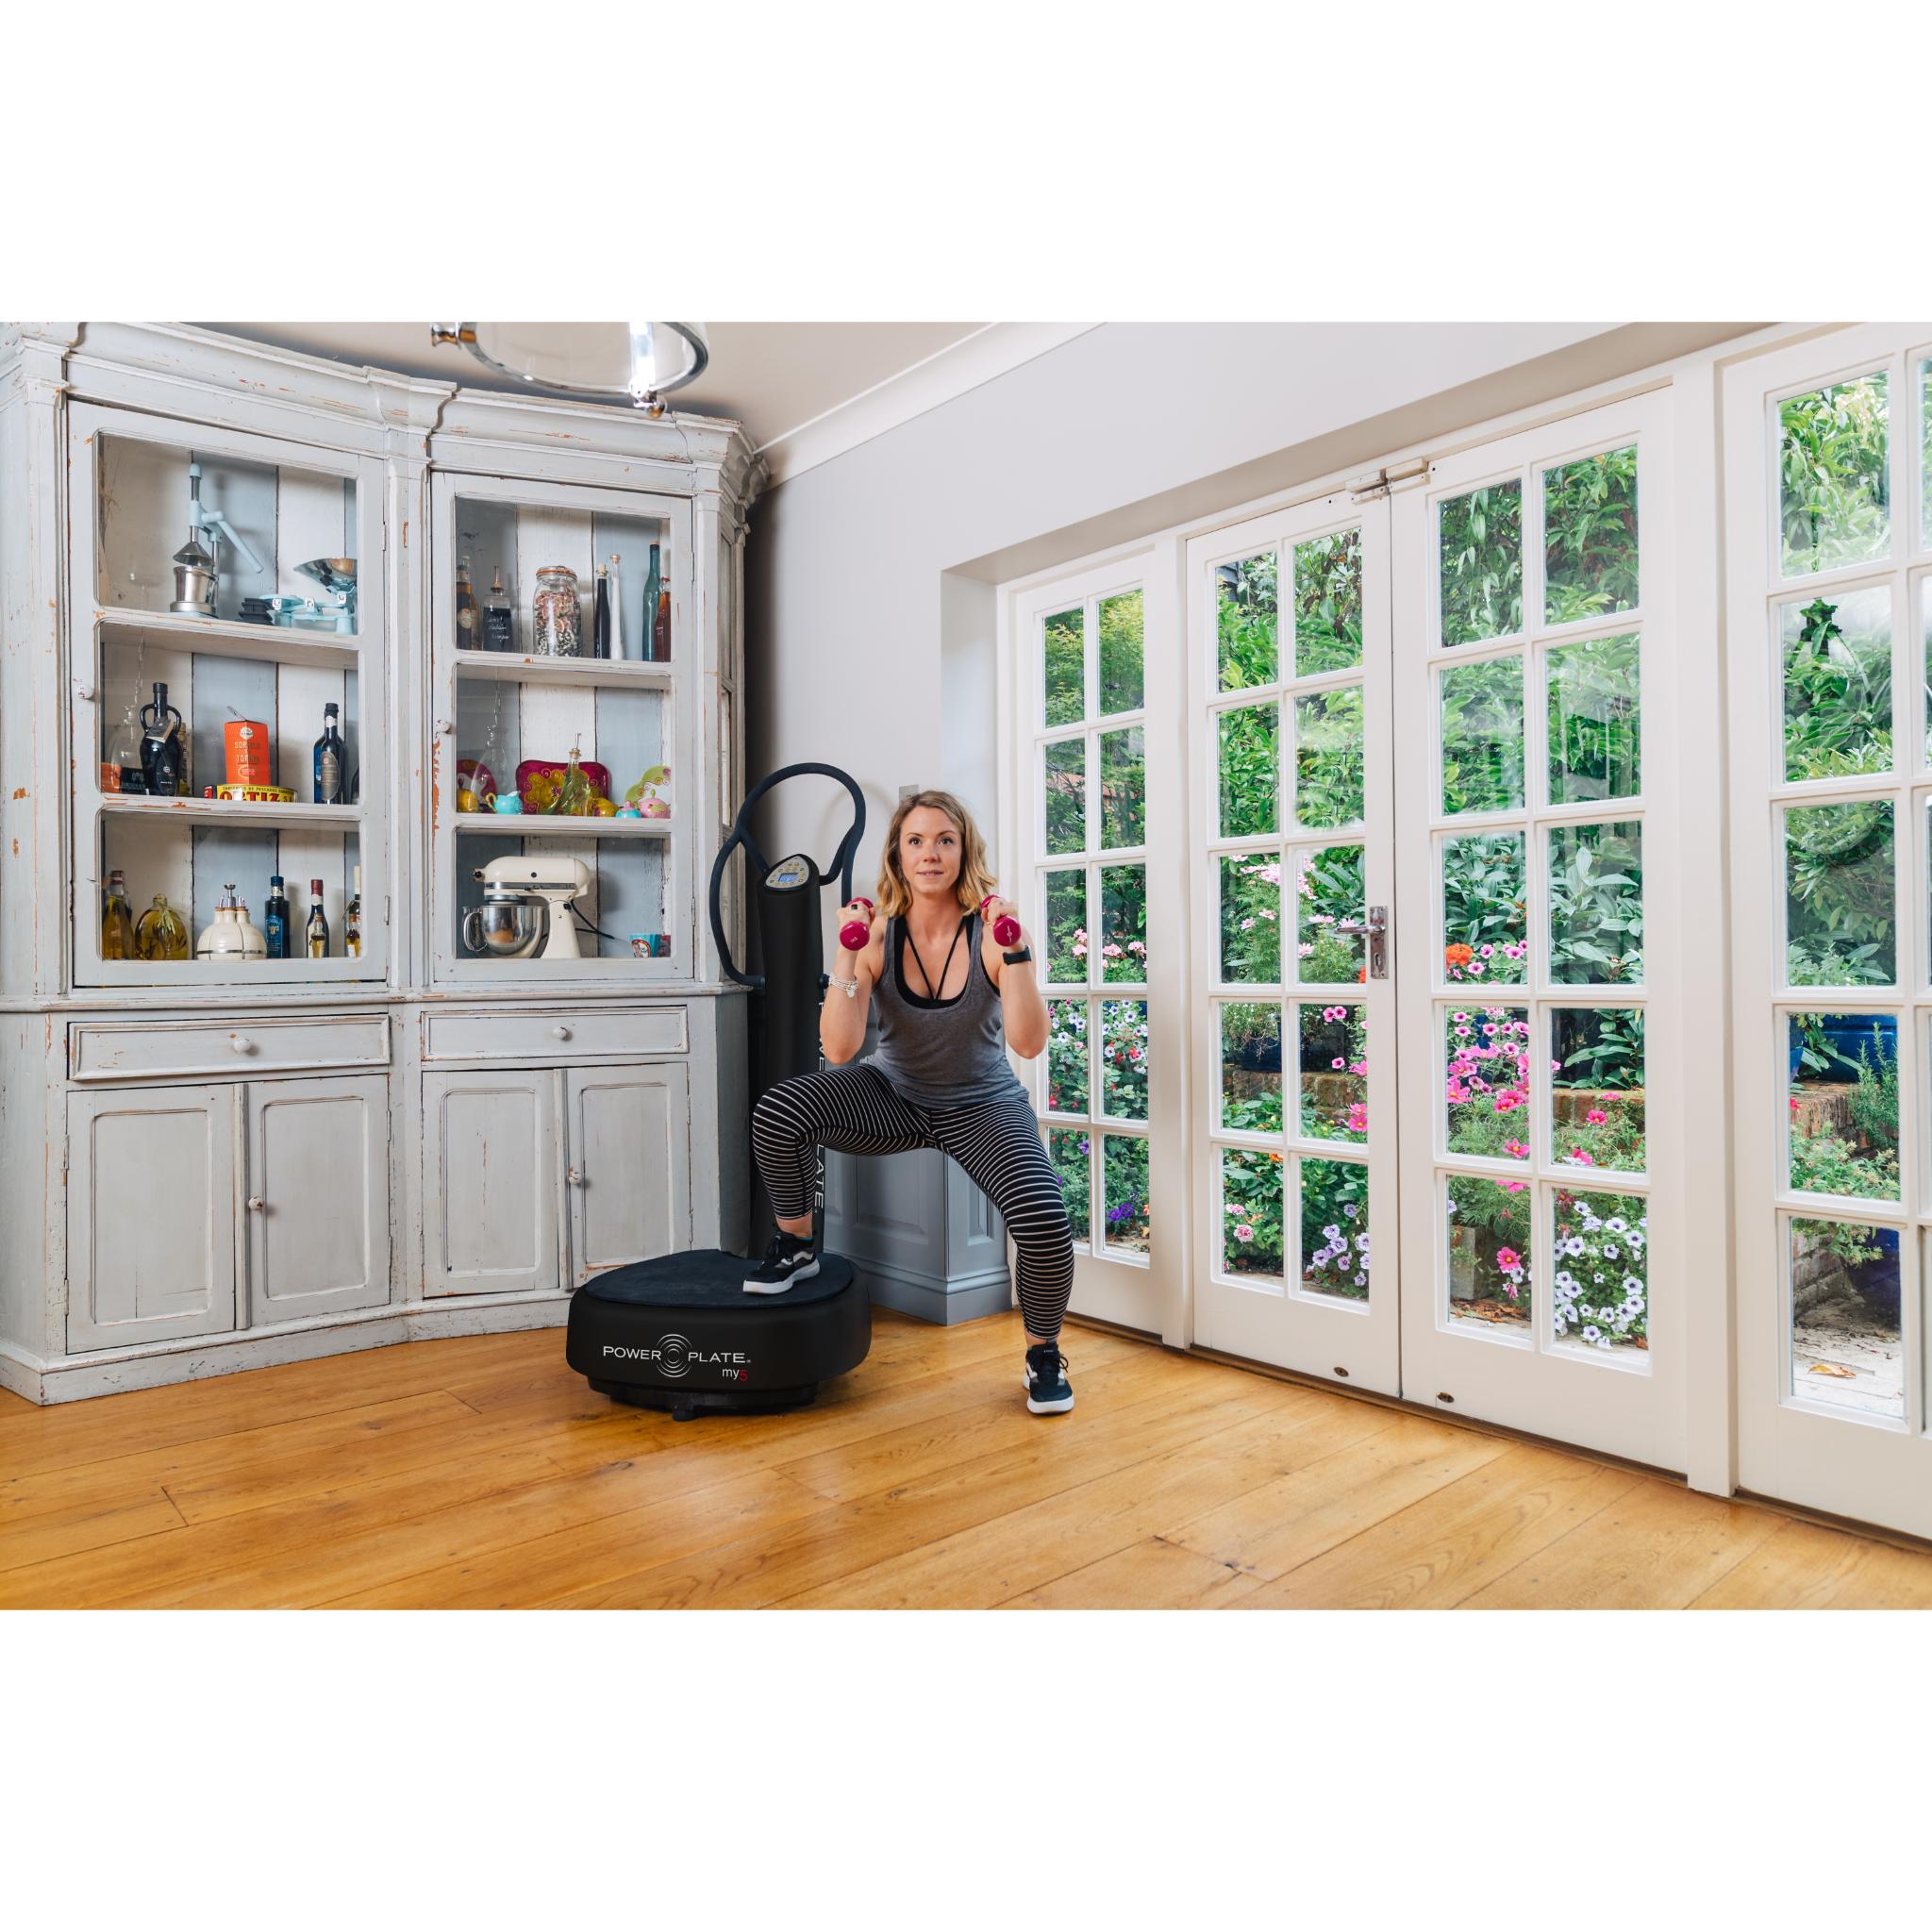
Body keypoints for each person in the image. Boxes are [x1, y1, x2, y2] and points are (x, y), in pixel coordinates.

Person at [743, 790, 1078, 1414]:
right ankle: (796, 1244)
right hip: (892, 1095)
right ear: (898, 854)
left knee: (1044, 1220)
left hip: (981, 1104)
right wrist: (847, 949)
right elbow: (840, 1050)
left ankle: (1042, 1353)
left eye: (945, 840)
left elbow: (1028, 1045)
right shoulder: (875, 935)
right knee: (780, 1110)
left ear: (964, 851)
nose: (931, 854)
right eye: (917, 841)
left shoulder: (992, 932)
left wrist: (1018, 954)